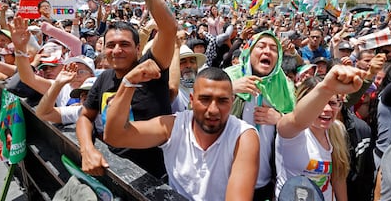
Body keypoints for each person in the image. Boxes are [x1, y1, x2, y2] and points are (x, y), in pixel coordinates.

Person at [76, 0, 177, 178]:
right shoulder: (103, 80)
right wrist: (87, 149)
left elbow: (169, 28)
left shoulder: (151, 68)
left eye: (124, 44)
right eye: (110, 45)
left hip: (155, 178)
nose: (116, 50)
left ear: (138, 49)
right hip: (113, 173)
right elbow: (85, 117)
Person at [104, 65, 259, 200]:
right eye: (205, 99)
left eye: (222, 101)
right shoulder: (174, 126)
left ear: (232, 101)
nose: (213, 110)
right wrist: (128, 82)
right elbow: (115, 136)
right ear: (191, 100)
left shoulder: (243, 136)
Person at [275, 65, 367, 201]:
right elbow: (296, 119)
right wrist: (326, 88)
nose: (328, 109)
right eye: (321, 103)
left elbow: (338, 178)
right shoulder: (291, 132)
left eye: (333, 103)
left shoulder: (337, 130)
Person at [225, 30, 296, 200]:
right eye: (261, 46)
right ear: (249, 51)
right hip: (226, 178)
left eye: (273, 48)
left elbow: (298, 126)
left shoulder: (285, 85)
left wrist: (280, 119)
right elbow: (197, 108)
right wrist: (230, 89)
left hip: (266, 181)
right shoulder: (228, 76)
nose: (267, 51)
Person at [170, 44, 206, 113]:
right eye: (182, 62)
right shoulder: (171, 92)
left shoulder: (203, 88)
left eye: (192, 61)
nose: (189, 65)